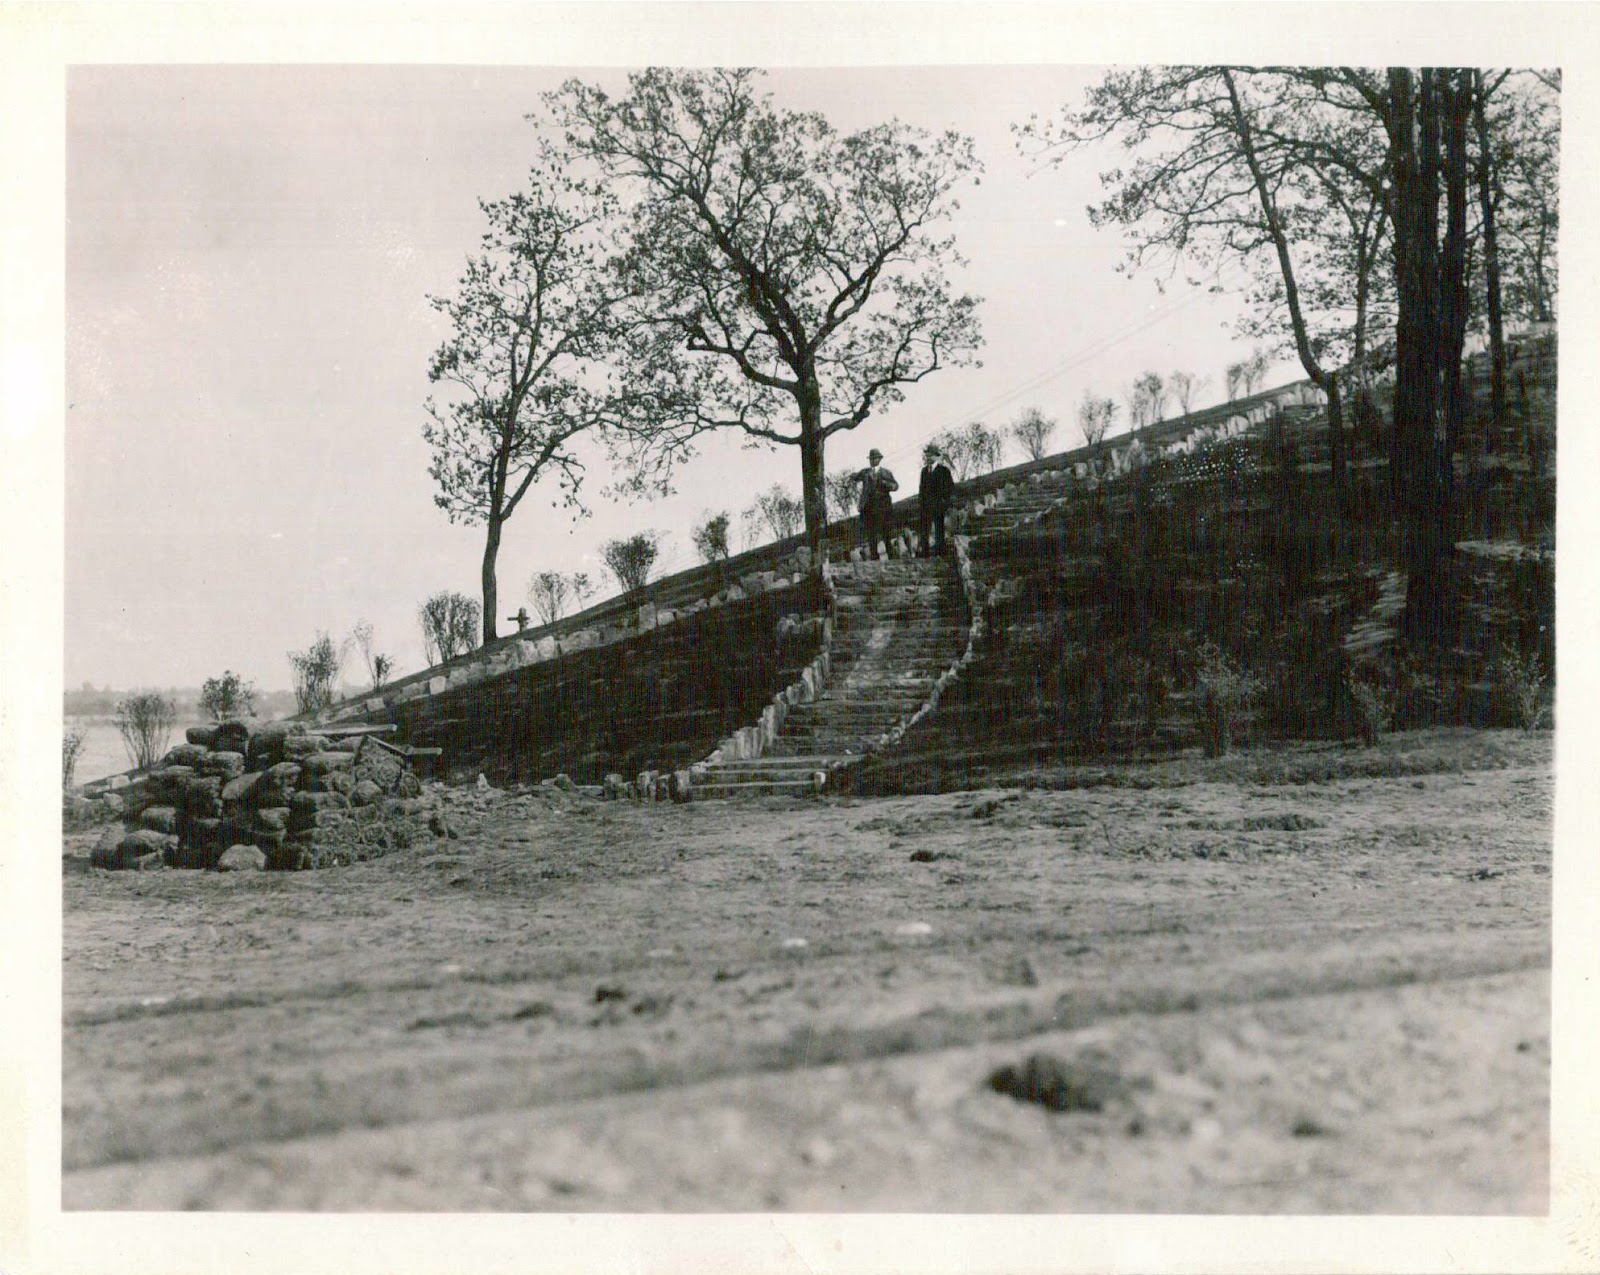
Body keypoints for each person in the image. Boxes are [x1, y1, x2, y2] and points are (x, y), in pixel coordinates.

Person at [851, 448, 899, 559]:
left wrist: (886, 484)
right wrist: (852, 475)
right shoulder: (865, 472)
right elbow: (855, 477)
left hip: (884, 506)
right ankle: (874, 557)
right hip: (869, 507)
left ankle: (891, 555)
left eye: (875, 458)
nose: (873, 460)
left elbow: (896, 486)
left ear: (879, 459)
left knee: (886, 532)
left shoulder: (886, 472)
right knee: (871, 533)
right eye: (871, 458)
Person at [917, 444, 955, 557]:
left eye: (930, 456)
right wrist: (921, 502)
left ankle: (940, 553)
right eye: (927, 456)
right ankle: (925, 554)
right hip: (926, 506)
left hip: (939, 505)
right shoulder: (924, 471)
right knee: (925, 530)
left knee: (939, 529)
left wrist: (945, 502)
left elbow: (950, 487)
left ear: (936, 457)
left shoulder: (944, 471)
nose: (928, 458)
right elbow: (921, 488)